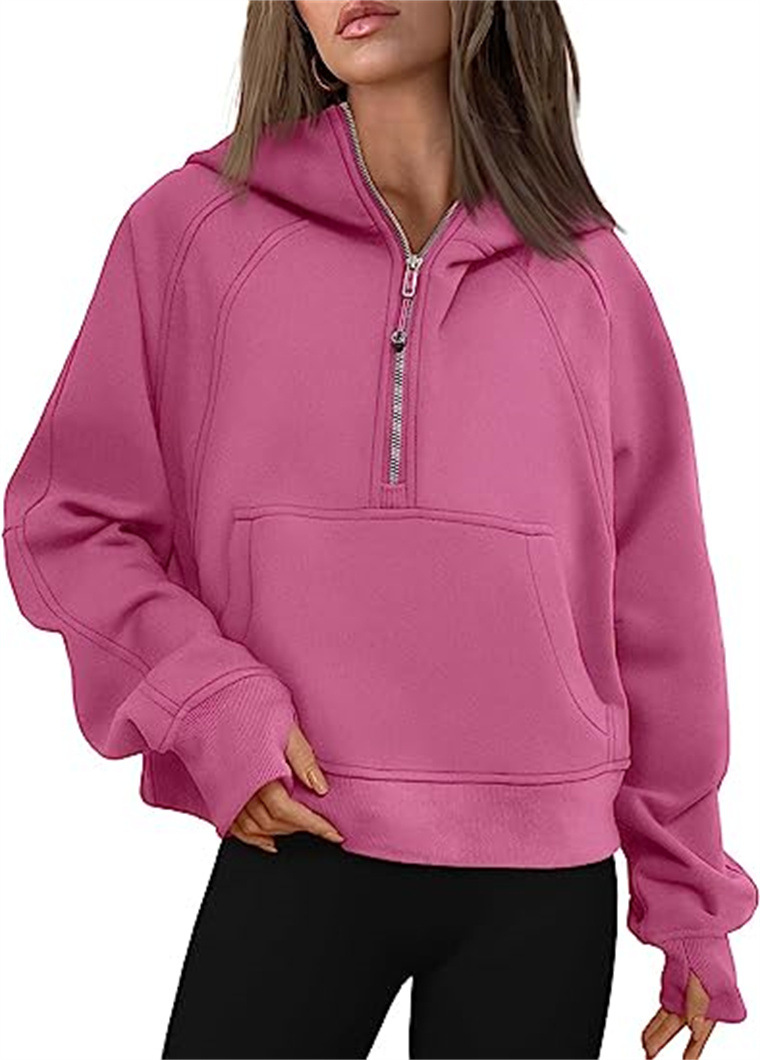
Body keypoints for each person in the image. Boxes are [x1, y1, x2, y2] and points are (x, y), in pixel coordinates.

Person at [2, 2, 757, 1058]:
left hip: (544, 880)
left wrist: (688, 895)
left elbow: (662, 606)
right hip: (302, 827)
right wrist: (208, 701)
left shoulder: (589, 278)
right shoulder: (192, 232)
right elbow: (66, 518)